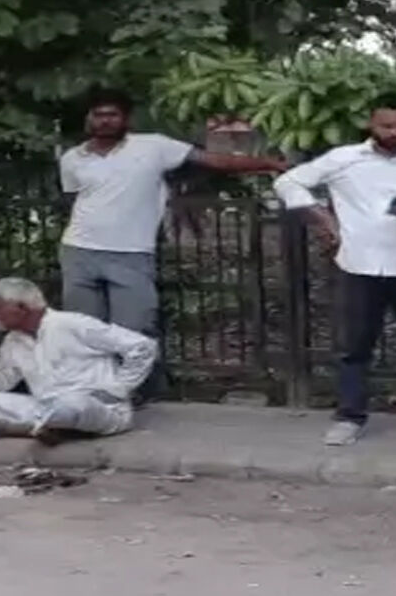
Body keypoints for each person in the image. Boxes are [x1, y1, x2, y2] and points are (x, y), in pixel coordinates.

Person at [58, 87, 286, 399]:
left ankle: (133, 392)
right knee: (83, 329)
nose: (105, 121)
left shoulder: (154, 146)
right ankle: (90, 393)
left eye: (112, 114)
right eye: (99, 115)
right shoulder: (72, 158)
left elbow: (214, 160)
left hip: (131, 253)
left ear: (126, 119)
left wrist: (269, 164)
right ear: (88, 119)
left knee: (134, 328)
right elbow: (73, 200)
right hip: (78, 251)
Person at [273, 92, 396, 448]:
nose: (395, 133)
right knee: (352, 348)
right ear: (371, 123)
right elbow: (287, 182)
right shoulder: (344, 159)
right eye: (387, 126)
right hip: (358, 265)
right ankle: (349, 416)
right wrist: (323, 218)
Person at [0, 277, 158, 444]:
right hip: (47, 407)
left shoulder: (72, 324)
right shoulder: (12, 342)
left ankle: (36, 428)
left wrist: (119, 388)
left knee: (72, 404)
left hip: (97, 408)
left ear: (21, 307)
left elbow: (143, 346)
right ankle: (48, 428)